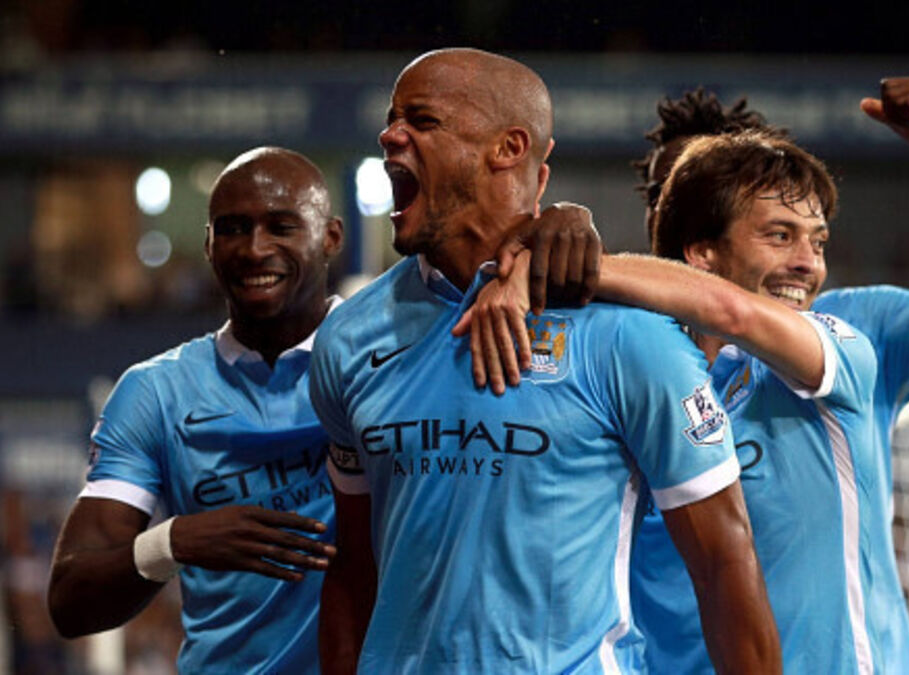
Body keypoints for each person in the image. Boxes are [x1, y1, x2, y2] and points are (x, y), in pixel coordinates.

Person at [462, 77, 909, 673]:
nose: (805, 259)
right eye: (672, 191)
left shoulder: (849, 336)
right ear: (690, 236)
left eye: (812, 238)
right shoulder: (612, 364)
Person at [307, 47, 780, 674]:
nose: (390, 136)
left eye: (421, 121)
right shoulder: (348, 337)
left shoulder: (628, 336)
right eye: (393, 120)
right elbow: (352, 569)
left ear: (508, 149)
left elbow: (725, 565)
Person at [48, 146, 343, 674]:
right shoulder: (156, 393)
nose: (255, 249)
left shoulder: (386, 361)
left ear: (331, 237)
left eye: (281, 227)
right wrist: (173, 541)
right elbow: (70, 599)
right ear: (208, 245)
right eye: (232, 229)